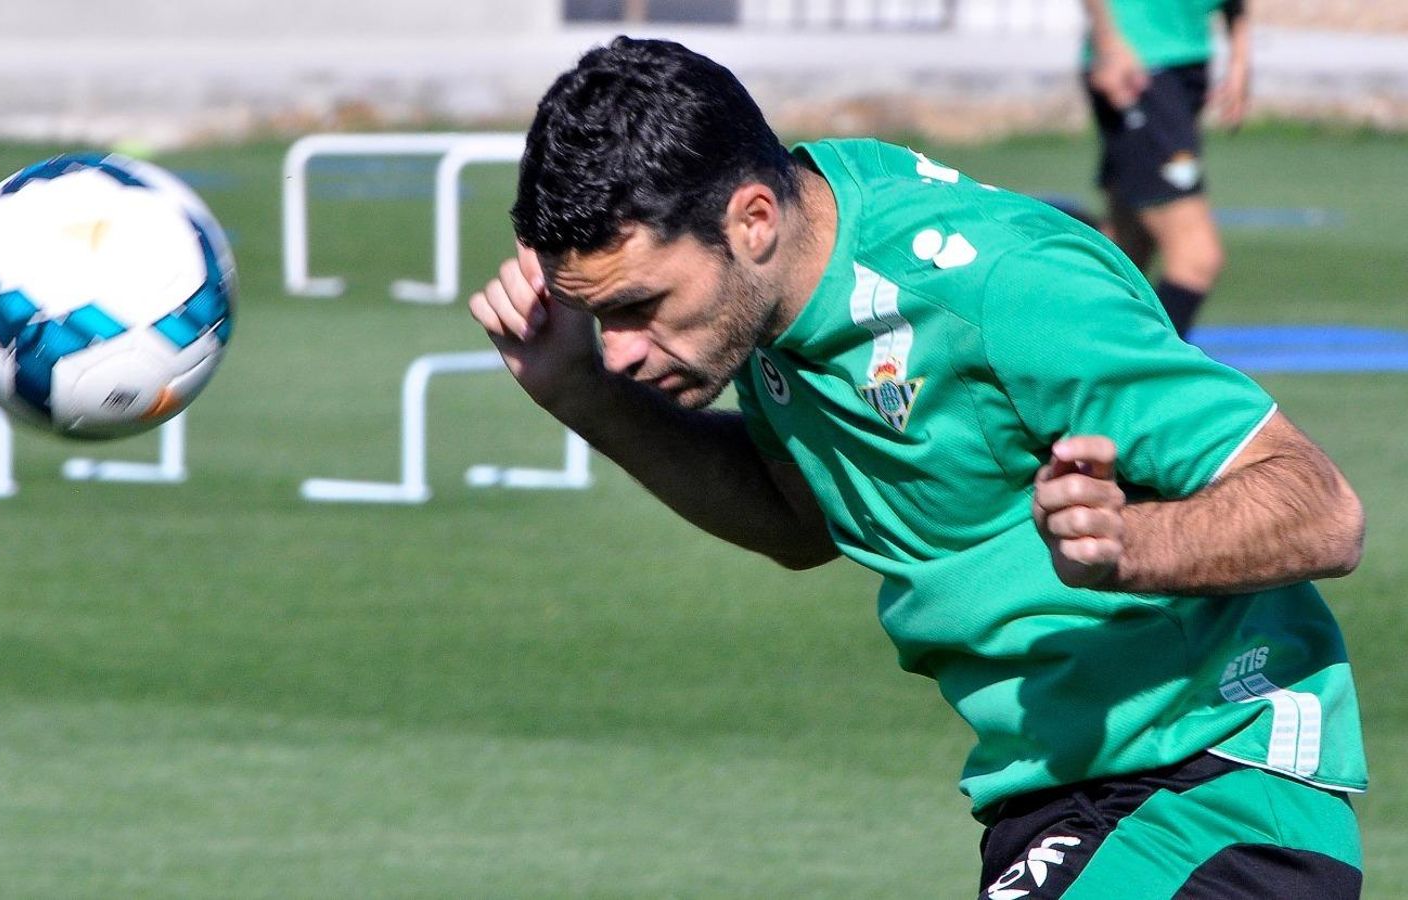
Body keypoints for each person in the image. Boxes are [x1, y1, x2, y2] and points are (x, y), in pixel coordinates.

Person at [471, 37, 1366, 897]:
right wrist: (583, 396)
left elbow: (1323, 510)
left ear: (753, 220)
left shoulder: (1001, 285)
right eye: (602, 318)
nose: (621, 350)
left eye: (641, 306)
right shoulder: (779, 282)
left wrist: (1134, 543)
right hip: (1054, 796)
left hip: (1215, 778)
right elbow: (797, 522)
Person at [1082, 0, 1251, 338]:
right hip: (1139, 64)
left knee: (1127, 247)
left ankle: (1068, 347)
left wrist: (1240, 57)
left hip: (1187, 63)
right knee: (1196, 258)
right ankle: (1147, 368)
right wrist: (1108, 41)